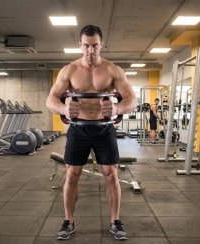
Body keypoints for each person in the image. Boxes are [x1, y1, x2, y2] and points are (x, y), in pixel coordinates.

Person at [46, 24, 137, 240]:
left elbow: (132, 100)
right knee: (71, 176)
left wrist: (116, 108)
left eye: (95, 45)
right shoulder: (69, 70)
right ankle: (69, 221)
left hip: (105, 130)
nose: (91, 50)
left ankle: (115, 221)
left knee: (112, 176)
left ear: (101, 44)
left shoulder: (113, 70)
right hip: (77, 130)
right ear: (80, 45)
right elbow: (51, 99)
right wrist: (64, 108)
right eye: (86, 45)